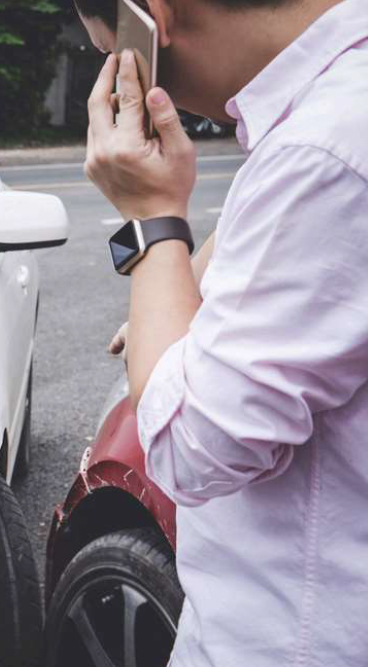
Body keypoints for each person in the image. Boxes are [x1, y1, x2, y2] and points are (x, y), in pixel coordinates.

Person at [73, 0, 368, 664]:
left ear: (151, 19)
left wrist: (149, 217)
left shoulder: (327, 149)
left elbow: (190, 450)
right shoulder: (327, 112)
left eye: (110, 51)